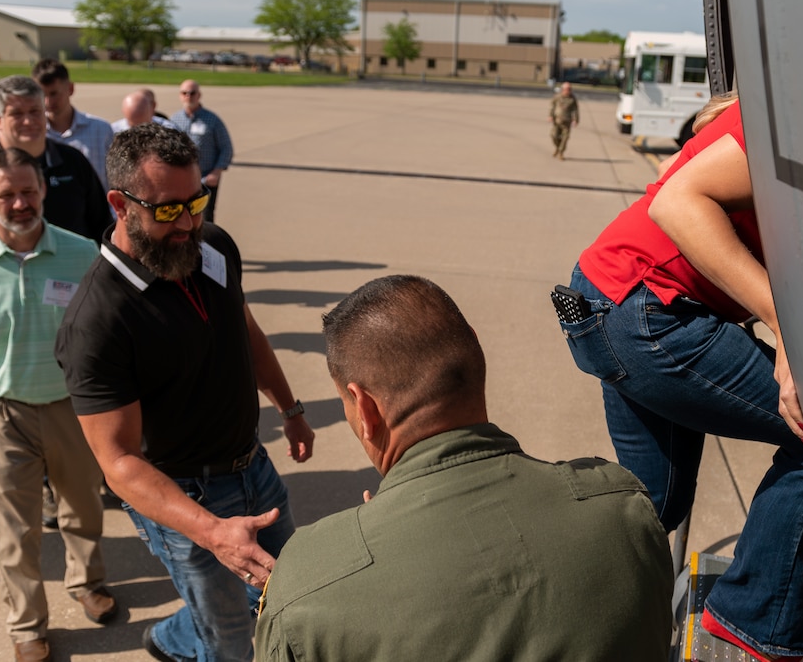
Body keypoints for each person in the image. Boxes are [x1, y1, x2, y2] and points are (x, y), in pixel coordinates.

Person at [255, 275, 675, 662]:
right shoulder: (623, 508)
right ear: (475, 350)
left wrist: (343, 547)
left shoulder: (307, 586)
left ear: (364, 407)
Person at [557, 92, 803, 662]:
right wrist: (787, 334)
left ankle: (566, 607)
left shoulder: (767, 109)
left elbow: (670, 175)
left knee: (655, 504)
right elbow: (677, 204)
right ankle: (754, 623)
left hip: (603, 299)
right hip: (647, 312)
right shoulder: (800, 114)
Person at [54, 124, 314, 662]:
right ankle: (190, 634)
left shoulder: (211, 246)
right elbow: (119, 461)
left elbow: (247, 331)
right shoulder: (97, 322)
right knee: (231, 642)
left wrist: (290, 409)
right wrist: (214, 533)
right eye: (169, 210)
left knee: (286, 598)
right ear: (119, 204)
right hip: (186, 498)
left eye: (197, 201)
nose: (190, 223)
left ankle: (174, 635)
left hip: (254, 469)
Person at [0, 147, 115, 662]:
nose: (19, 203)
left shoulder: (84, 255)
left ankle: (87, 583)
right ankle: (27, 624)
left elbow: (108, 336)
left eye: (28, 191)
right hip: (2, 413)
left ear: (44, 191)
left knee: (83, 506)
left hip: (71, 409)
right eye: (6, 194)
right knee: (17, 525)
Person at [0, 75, 112, 256]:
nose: (28, 121)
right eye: (17, 114)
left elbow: (102, 227)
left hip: (73, 277)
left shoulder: (72, 161)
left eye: (35, 111)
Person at [31, 59, 114, 189]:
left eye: (54, 93)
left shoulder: (101, 130)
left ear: (70, 89)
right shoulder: (32, 134)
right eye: (42, 95)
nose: (47, 102)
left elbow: (115, 179)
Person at [171, 80, 232, 222]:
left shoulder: (212, 120)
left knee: (205, 217)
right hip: (182, 179)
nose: (188, 96)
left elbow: (226, 147)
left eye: (192, 93)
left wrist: (216, 173)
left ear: (199, 95)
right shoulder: (174, 120)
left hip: (205, 179)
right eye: (184, 93)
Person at [111, 89, 177, 133]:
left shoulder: (168, 130)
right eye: (132, 124)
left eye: (143, 125)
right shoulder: (113, 131)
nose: (138, 128)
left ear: (153, 108)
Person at [548, 81, 579, 160]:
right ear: (563, 89)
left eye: (569, 89)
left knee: (565, 138)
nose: (568, 91)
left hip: (567, 121)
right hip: (557, 121)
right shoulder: (557, 97)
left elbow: (575, 110)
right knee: (554, 135)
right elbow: (552, 106)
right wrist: (550, 115)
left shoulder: (572, 99)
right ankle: (557, 148)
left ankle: (561, 153)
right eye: (566, 89)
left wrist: (575, 120)